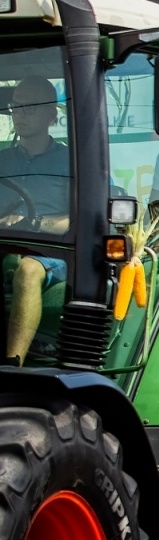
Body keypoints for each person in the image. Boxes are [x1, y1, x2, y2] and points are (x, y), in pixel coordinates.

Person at [2, 77, 71, 364]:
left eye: (30, 107)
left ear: (51, 115)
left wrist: (34, 221)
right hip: (5, 244)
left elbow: (80, 220)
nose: (20, 114)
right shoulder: (2, 160)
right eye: (16, 107)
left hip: (52, 250)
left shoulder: (73, 161)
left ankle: (11, 366)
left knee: (29, 271)